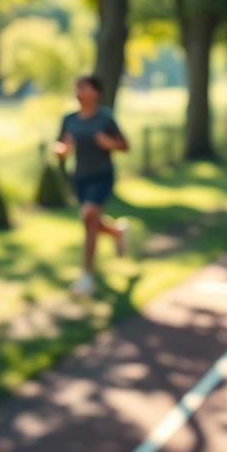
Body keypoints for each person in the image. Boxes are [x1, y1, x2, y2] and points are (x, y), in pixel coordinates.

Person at [54, 75, 129, 298]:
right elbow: (60, 144)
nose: (78, 92)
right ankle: (116, 232)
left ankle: (86, 278)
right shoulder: (69, 119)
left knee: (88, 216)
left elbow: (124, 145)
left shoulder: (105, 118)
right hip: (79, 177)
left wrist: (109, 143)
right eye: (77, 87)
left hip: (101, 175)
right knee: (91, 220)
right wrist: (62, 150)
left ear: (95, 92)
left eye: (83, 87)